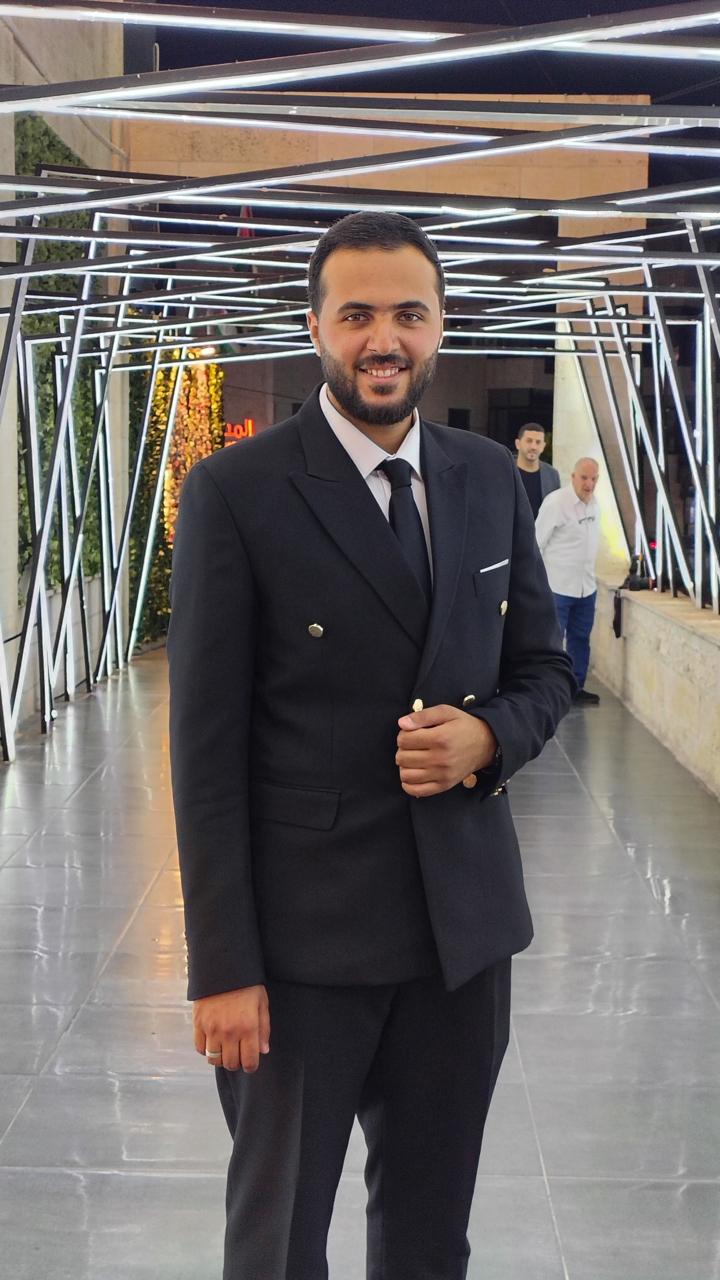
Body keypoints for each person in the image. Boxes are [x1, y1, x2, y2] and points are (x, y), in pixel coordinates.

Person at [167, 211, 574, 1280]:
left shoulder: (486, 475)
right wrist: (223, 968)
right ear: (315, 327)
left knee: (431, 1240)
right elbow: (204, 755)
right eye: (356, 315)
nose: (383, 339)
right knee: (278, 1243)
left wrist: (489, 735)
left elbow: (545, 669)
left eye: (408, 314)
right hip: (301, 953)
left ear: (440, 325)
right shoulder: (237, 492)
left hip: (461, 941)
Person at [535, 457, 601, 706]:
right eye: (584, 478)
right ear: (573, 477)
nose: (589, 484)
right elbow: (536, 543)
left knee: (580, 639)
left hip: (586, 587)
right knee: (551, 643)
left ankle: (576, 687)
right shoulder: (556, 503)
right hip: (557, 587)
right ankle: (547, 691)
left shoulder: (595, 504)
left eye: (593, 479)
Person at [514, 421, 560, 519]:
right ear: (518, 444)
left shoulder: (552, 475)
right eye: (529, 441)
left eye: (538, 442)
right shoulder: (507, 471)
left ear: (543, 446)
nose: (533, 447)